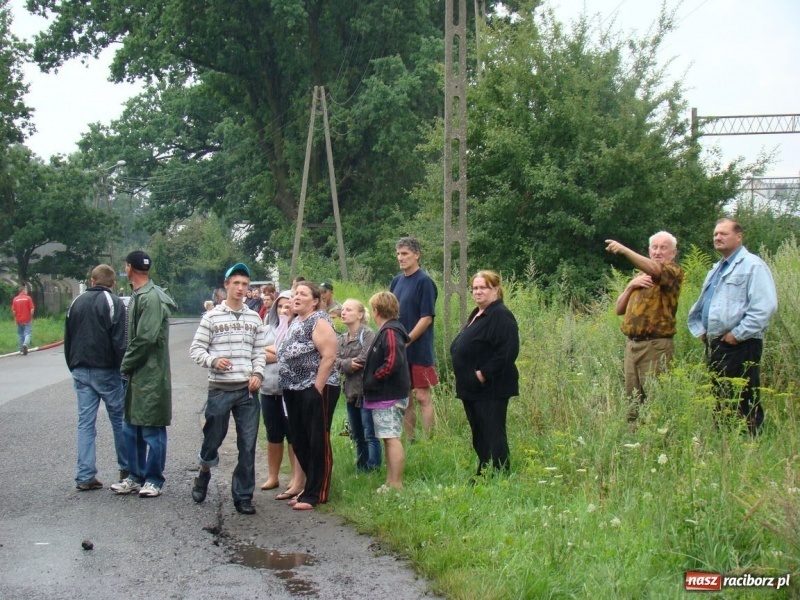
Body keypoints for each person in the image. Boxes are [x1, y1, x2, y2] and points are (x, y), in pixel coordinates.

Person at [687, 218, 778, 435]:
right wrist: (703, 330)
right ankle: (725, 442)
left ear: (739, 237)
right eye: (715, 234)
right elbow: (707, 304)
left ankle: (750, 443)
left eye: (723, 234)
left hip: (742, 344)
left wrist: (737, 334)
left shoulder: (752, 266)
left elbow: (765, 306)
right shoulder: (717, 269)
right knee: (721, 397)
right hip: (718, 343)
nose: (717, 237)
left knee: (743, 397)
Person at [189, 263, 266, 515]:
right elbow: (196, 350)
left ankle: (243, 496)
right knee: (213, 438)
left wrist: (257, 374)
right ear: (226, 285)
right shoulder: (212, 317)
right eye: (236, 283)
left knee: (248, 444)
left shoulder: (254, 318)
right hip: (220, 389)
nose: (241, 288)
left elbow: (259, 352)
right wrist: (213, 361)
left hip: (247, 391)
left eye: (245, 284)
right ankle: (204, 472)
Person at [111, 251, 176, 498]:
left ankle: (153, 479)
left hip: (150, 374)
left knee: (151, 429)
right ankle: (135, 476)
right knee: (131, 428)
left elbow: (145, 338)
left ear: (129, 267)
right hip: (137, 374)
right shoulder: (140, 295)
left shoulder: (150, 298)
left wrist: (125, 364)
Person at [605, 232, 684, 420]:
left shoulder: (672, 272)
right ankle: (634, 436)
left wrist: (624, 250)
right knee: (633, 402)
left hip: (655, 346)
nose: (658, 252)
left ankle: (660, 437)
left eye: (663, 248)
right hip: (632, 345)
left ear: (673, 252)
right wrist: (631, 285)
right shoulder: (641, 275)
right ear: (649, 250)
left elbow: (656, 270)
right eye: (654, 247)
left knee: (656, 401)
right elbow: (619, 309)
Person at [64, 264, 129, 491]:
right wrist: (124, 369)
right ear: (113, 283)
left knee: (85, 423)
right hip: (107, 369)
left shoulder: (76, 302)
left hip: (80, 369)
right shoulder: (113, 302)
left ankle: (85, 475)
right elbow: (120, 341)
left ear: (92, 281)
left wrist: (72, 364)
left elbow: (68, 337)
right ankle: (126, 469)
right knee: (119, 420)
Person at [277, 282, 340, 511]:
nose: (296, 297)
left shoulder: (319, 320)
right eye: (295, 293)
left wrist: (316, 389)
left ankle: (317, 493)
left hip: (315, 388)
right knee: (299, 439)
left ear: (314, 301)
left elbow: (329, 356)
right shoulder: (296, 321)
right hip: (292, 388)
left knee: (316, 440)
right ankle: (309, 487)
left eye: (302, 294)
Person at [450, 271, 519, 477]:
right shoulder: (478, 313)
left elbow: (508, 351)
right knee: (479, 432)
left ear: (495, 289)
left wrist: (483, 374)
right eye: (475, 288)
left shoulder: (500, 315)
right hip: (472, 387)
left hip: (491, 387)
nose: (478, 292)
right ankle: (484, 471)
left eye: (483, 287)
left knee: (492, 431)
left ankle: (499, 474)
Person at [390, 236, 438, 442]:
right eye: (398, 254)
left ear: (416, 255)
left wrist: (407, 340)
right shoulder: (396, 281)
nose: (400, 258)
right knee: (405, 397)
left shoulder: (424, 282)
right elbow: (390, 313)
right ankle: (410, 440)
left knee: (422, 396)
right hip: (400, 349)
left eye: (405, 254)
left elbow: (426, 317)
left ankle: (429, 441)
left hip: (419, 349)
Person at [363, 291, 410, 491]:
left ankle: (396, 484)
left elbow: (392, 362)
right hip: (385, 395)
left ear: (376, 310)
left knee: (392, 438)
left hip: (389, 395)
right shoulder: (388, 330)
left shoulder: (390, 331)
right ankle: (390, 482)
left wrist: (373, 379)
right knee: (388, 438)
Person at [260, 290, 305, 499]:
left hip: (291, 391)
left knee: (293, 435)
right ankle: (273, 476)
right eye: (280, 306)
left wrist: (273, 352)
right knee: (273, 434)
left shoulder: (298, 329)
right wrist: (279, 352)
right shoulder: (266, 330)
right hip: (268, 389)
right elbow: (257, 353)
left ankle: (295, 478)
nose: (283, 310)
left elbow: (293, 354)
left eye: (287, 306)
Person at [336, 298, 380, 472]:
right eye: (343, 309)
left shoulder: (368, 334)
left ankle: (373, 468)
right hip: (350, 392)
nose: (343, 312)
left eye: (349, 310)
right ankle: (361, 468)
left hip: (366, 392)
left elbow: (364, 358)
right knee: (356, 433)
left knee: (370, 433)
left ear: (360, 315)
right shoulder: (341, 339)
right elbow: (334, 360)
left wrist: (344, 363)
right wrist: (348, 364)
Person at [11, 285, 35, 355]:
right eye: (26, 290)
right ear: (23, 291)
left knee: (20, 334)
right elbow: (32, 309)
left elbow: (14, 311)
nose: (27, 291)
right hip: (27, 319)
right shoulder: (28, 298)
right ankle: (25, 343)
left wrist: (15, 318)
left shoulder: (15, 299)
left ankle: (21, 350)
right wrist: (31, 317)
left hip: (19, 319)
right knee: (27, 333)